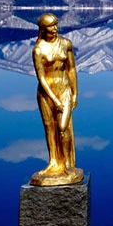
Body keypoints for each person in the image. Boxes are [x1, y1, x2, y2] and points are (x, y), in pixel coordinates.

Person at [30, 12, 84, 186]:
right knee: (50, 128)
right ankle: (55, 162)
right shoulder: (38, 49)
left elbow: (72, 69)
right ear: (43, 29)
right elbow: (42, 78)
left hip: (64, 88)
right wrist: (54, 99)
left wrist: (75, 93)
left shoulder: (66, 43)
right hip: (46, 93)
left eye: (56, 24)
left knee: (62, 127)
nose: (55, 28)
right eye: (51, 26)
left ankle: (67, 164)